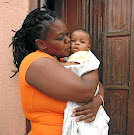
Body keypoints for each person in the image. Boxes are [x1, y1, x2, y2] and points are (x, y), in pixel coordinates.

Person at [10, 6, 105, 135]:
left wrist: (98, 99)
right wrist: (89, 58)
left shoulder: (61, 62)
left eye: (68, 34)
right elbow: (87, 91)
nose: (68, 41)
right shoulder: (35, 61)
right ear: (41, 44)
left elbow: (97, 85)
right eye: (60, 38)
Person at [61, 29, 110, 135]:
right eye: (73, 41)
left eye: (82, 42)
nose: (77, 43)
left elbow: (75, 66)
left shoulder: (83, 55)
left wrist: (56, 65)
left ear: (88, 47)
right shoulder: (72, 56)